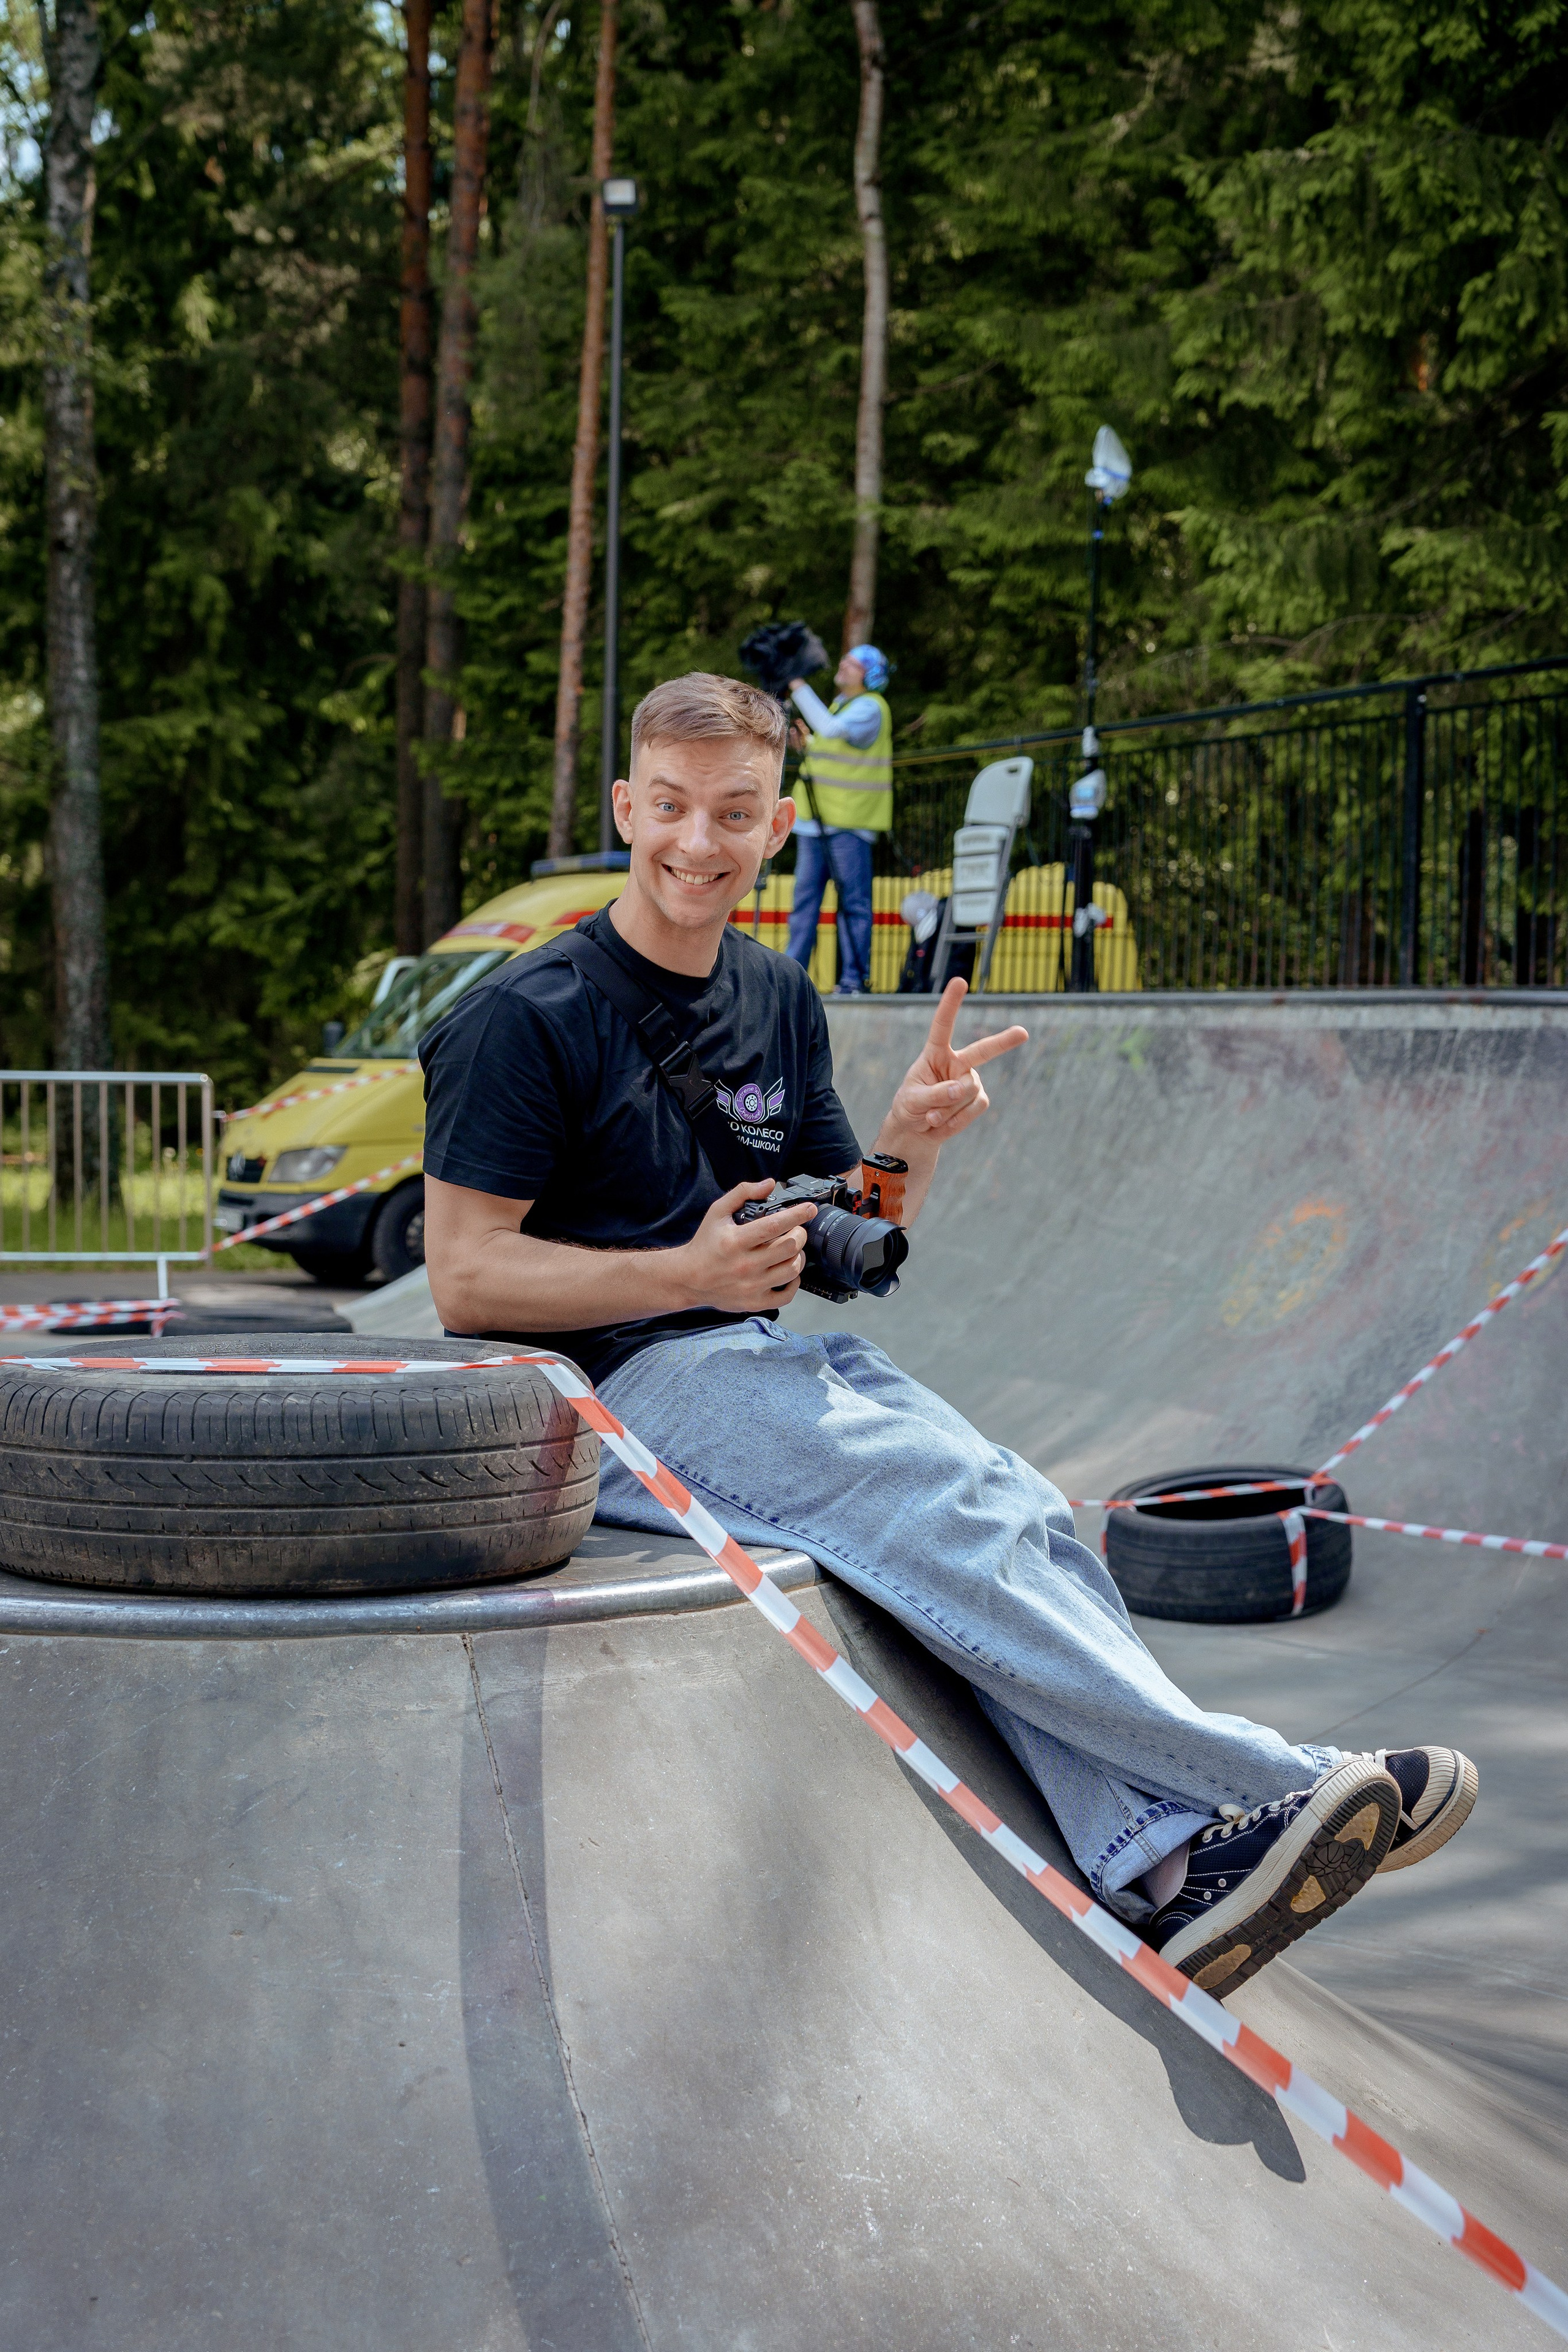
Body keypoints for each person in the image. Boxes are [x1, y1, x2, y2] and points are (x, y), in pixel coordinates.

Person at [420, 671, 1476, 1999]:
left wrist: (907, 1142)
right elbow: (463, 1276)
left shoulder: (776, 994)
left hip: (754, 1358)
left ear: (778, 828)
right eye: (673, 808)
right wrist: (683, 1269)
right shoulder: (528, 1016)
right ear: (627, 807)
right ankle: (1271, 1784)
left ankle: (1165, 1873)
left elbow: (846, 1225)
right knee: (928, 1502)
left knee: (1014, 1500)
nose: (699, 841)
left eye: (734, 813)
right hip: (609, 1394)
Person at [783, 643, 892, 995]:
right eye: (844, 660)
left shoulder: (871, 707)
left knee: (853, 904)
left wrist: (797, 684)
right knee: (805, 904)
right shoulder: (842, 705)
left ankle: (853, 982)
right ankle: (792, 982)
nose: (843, 665)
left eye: (853, 664)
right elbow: (830, 742)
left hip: (849, 823)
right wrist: (806, 744)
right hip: (817, 821)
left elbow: (831, 731)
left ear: (870, 676)